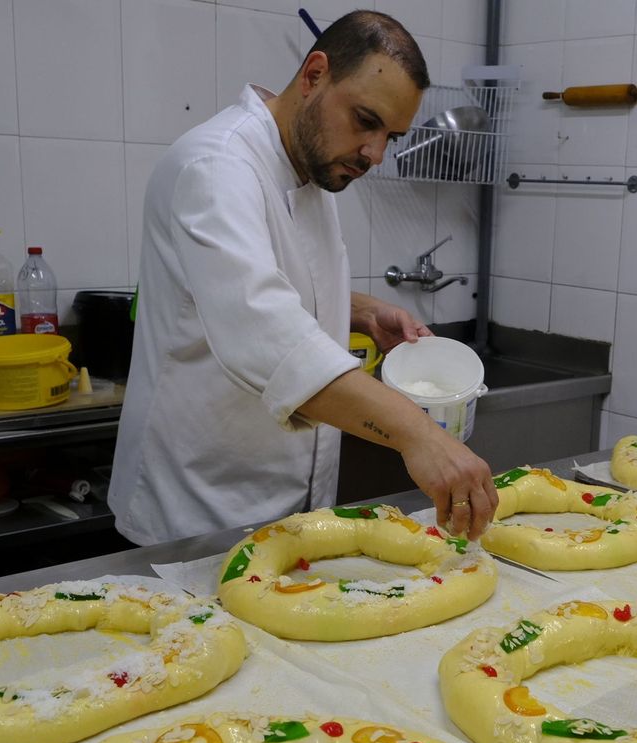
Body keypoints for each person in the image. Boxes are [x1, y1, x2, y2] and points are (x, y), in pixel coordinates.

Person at [110, 10, 499, 548]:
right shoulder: (217, 167)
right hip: (199, 509)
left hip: (293, 506)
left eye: (391, 135)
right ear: (315, 75)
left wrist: (359, 310)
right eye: (365, 120)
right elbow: (264, 337)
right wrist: (417, 434)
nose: (375, 153)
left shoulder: (312, 169)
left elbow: (275, 283)